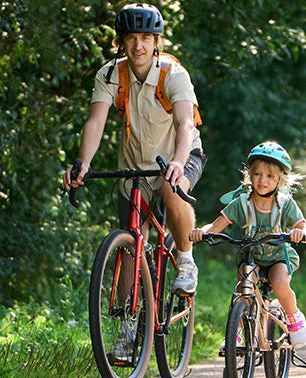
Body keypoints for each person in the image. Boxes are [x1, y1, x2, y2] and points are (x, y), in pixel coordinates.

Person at [63, 3, 206, 296]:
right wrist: (83, 163)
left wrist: (178, 162)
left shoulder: (173, 74)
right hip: (135, 167)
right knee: (130, 243)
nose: (137, 45)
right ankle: (127, 332)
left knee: (171, 188)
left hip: (182, 155)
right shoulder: (109, 75)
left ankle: (186, 260)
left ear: (156, 42)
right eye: (130, 38)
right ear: (121, 41)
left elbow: (184, 124)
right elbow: (95, 122)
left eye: (144, 37)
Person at [189, 142, 306, 348]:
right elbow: (216, 226)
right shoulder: (241, 203)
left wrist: (301, 233)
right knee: (243, 290)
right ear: (250, 175)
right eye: (257, 174)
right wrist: (203, 232)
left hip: (278, 258)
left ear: (279, 180)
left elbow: (304, 227)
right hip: (251, 258)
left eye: (269, 176)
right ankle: (235, 334)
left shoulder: (285, 204)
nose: (262, 180)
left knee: (280, 284)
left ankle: (293, 317)